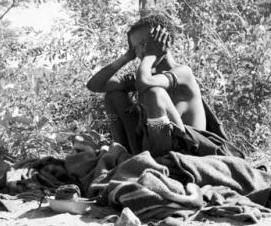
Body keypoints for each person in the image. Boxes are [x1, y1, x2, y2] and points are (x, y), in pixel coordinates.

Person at [86, 12, 206, 157]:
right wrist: (127, 56)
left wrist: (151, 54)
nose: (141, 51)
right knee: (113, 96)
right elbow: (94, 85)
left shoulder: (183, 72)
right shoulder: (147, 77)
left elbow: (145, 83)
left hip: (187, 152)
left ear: (164, 41)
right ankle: (125, 155)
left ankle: (160, 162)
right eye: (136, 48)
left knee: (155, 93)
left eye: (144, 44)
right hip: (150, 149)